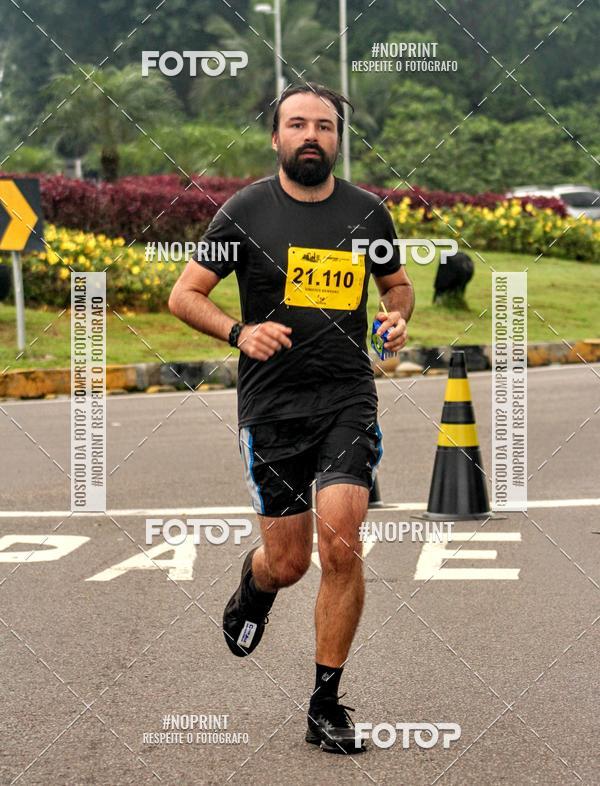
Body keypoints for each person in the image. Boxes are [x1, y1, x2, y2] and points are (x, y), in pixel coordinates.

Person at [168, 82, 414, 754]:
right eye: (298, 124)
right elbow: (185, 294)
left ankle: (324, 703)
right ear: (276, 137)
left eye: (324, 126)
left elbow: (396, 286)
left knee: (341, 544)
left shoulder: (367, 214)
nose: (312, 135)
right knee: (290, 562)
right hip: (272, 407)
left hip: (346, 397)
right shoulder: (244, 212)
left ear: (338, 139)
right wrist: (239, 332)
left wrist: (395, 319)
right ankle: (256, 585)